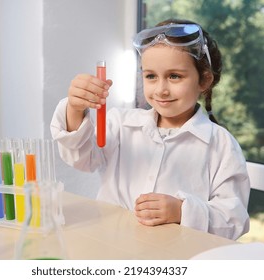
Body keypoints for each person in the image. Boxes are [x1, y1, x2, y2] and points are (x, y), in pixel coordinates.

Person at [50, 19, 250, 240]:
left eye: (175, 76)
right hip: (111, 247)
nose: (161, 90)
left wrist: (181, 211)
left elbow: (234, 221)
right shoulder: (120, 124)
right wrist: (74, 109)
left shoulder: (221, 145)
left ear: (204, 80)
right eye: (151, 76)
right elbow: (80, 158)